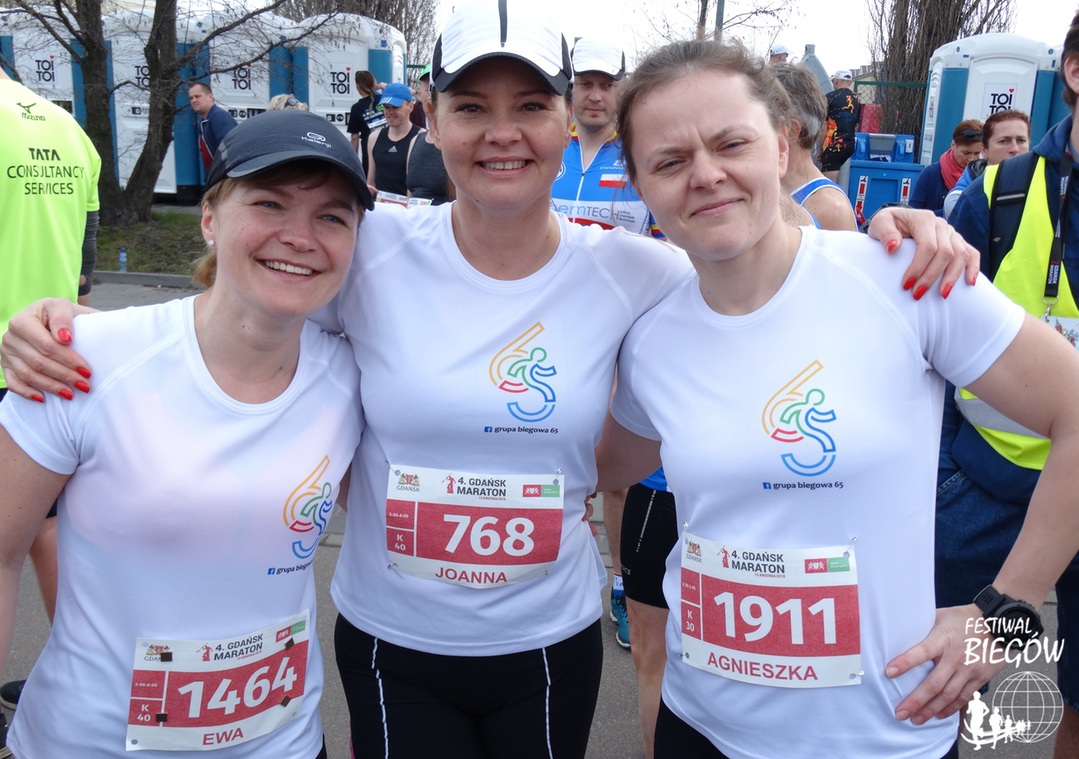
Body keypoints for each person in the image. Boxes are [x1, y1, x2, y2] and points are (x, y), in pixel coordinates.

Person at [0, 3, 984, 757]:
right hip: (392, 640)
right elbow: (257, 284)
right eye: (471, 107)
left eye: (529, 108)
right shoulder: (367, 247)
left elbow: (760, 260)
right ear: (430, 120)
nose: (500, 132)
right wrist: (75, 327)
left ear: (568, 124)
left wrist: (890, 233)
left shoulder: (634, 269)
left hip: (548, 640)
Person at [594, 38, 1079, 759]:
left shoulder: (903, 278)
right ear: (637, 183)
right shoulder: (650, 336)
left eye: (731, 143)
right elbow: (593, 465)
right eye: (669, 161)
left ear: (781, 144)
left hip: (883, 733)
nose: (706, 174)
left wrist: (1005, 615)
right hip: (702, 725)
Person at [0, 109, 372, 758]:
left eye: (331, 217)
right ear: (209, 217)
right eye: (269, 203)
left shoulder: (356, 376)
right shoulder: (83, 358)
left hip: (282, 745)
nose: (299, 236)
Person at [940, 14, 1079, 759]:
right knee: (940, 687)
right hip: (988, 487)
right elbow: (927, 341)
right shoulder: (996, 192)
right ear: (1074, 71)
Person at [0, 65, 100, 737]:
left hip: (15, 352)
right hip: (56, 356)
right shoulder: (65, 128)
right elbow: (85, 272)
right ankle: (84, 681)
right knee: (48, 529)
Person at [773, 63, 857, 231]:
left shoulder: (829, 209)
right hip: (844, 143)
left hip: (835, 147)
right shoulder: (853, 98)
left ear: (790, 131)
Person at [942, 110, 1030, 218]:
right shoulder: (959, 200)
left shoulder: (1042, 183)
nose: (1015, 149)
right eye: (1003, 141)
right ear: (984, 150)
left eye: (1021, 141)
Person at [909, 119, 983, 215]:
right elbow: (912, 214)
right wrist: (949, 211)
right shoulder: (931, 173)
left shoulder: (983, 176)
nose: (972, 159)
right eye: (966, 153)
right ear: (953, 145)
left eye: (977, 153)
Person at [366, 81, 423, 198]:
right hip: (380, 206)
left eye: (396, 107)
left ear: (410, 107)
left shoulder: (421, 137)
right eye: (386, 107)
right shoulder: (374, 138)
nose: (390, 112)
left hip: (408, 206)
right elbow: (371, 181)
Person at [819, 69, 862, 182]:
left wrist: (820, 149)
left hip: (833, 145)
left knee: (828, 183)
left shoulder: (829, 97)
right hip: (850, 145)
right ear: (850, 82)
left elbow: (824, 127)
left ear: (836, 81)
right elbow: (856, 125)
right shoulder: (856, 99)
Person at [188, 82, 238, 174]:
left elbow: (229, 150)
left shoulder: (219, 117)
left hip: (227, 177)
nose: (194, 100)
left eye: (197, 96)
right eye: (191, 98)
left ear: (210, 97)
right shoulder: (204, 122)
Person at [347, 70, 382, 175]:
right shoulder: (384, 99)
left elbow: (355, 138)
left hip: (369, 151)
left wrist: (353, 162)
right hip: (388, 146)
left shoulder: (356, 108)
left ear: (358, 86)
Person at [410, 65, 431, 129]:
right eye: (429, 90)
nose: (434, 94)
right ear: (419, 94)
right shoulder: (411, 115)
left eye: (438, 89)